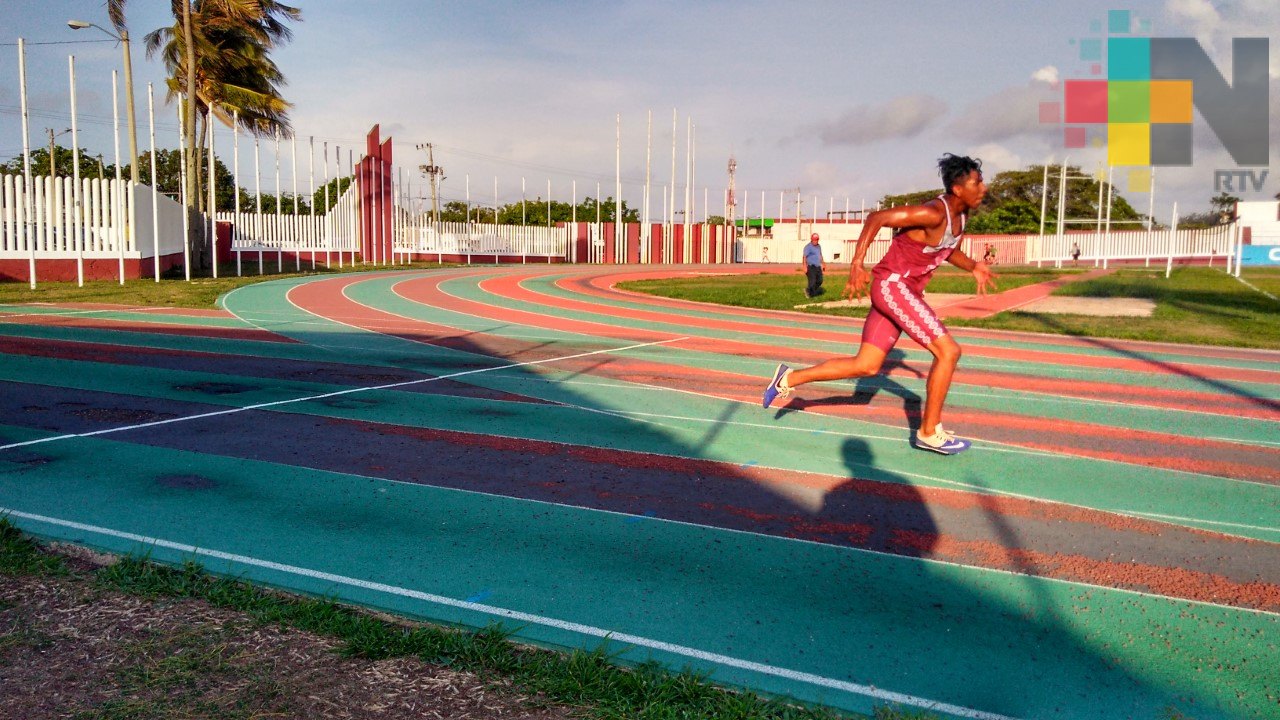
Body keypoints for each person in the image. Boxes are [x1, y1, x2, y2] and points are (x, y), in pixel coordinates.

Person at [763, 153, 998, 455]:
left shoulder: (960, 217)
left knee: (867, 365)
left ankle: (789, 378)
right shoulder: (932, 213)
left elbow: (947, 248)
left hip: (900, 290)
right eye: (977, 183)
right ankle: (929, 432)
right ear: (957, 189)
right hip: (893, 287)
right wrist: (856, 263)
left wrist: (974, 266)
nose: (983, 188)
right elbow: (877, 218)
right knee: (949, 351)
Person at [802, 232, 826, 297]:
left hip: (818, 266)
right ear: (811, 239)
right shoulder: (808, 247)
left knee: (820, 280)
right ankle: (810, 294)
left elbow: (820, 255)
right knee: (812, 281)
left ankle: (808, 290)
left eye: (817, 239)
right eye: (814, 239)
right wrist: (804, 266)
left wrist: (823, 264)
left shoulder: (819, 246)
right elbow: (804, 257)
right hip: (811, 266)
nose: (815, 241)